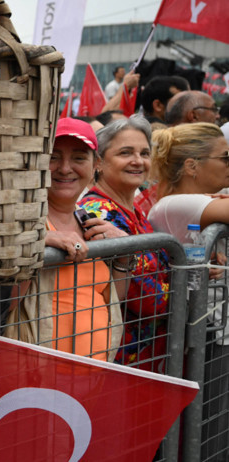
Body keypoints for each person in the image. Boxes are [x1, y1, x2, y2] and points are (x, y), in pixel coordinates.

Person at [147, 122, 229, 461]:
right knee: (210, 440)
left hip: (210, 333)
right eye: (225, 157)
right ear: (192, 165)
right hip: (204, 339)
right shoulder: (177, 203)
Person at [78, 115, 169, 371]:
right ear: (99, 163)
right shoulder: (100, 213)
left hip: (145, 356)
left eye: (144, 153)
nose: (138, 161)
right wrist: (186, 291)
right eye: (125, 153)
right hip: (116, 358)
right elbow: (150, 300)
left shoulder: (132, 210)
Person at [39, 118, 131, 360]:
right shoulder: (25, 223)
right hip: (37, 380)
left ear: (96, 165)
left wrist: (123, 251)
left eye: (79, 158)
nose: (65, 168)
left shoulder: (90, 221)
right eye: (53, 157)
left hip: (94, 376)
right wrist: (35, 240)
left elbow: (112, 299)